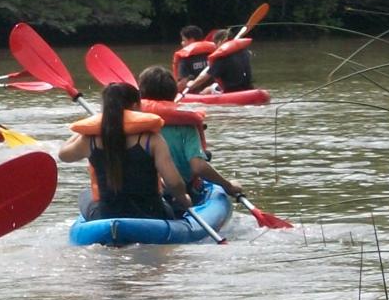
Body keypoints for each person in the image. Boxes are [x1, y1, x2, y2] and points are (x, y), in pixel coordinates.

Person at [58, 82, 191, 221]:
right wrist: (183, 198)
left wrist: (87, 130)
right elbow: (174, 183)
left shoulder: (89, 141)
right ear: (135, 106)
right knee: (171, 203)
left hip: (107, 215)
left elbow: (63, 155)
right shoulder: (152, 140)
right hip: (151, 214)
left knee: (86, 195)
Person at [137, 67, 244, 203]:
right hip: (178, 194)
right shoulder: (186, 124)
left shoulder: (132, 123)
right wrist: (227, 185)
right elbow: (198, 166)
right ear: (173, 93)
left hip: (140, 192)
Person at [184, 26, 256, 95]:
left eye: (215, 44)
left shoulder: (221, 57)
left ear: (220, 42)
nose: (215, 47)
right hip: (248, 87)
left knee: (206, 91)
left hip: (232, 91)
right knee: (213, 86)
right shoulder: (244, 51)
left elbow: (205, 77)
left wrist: (191, 84)